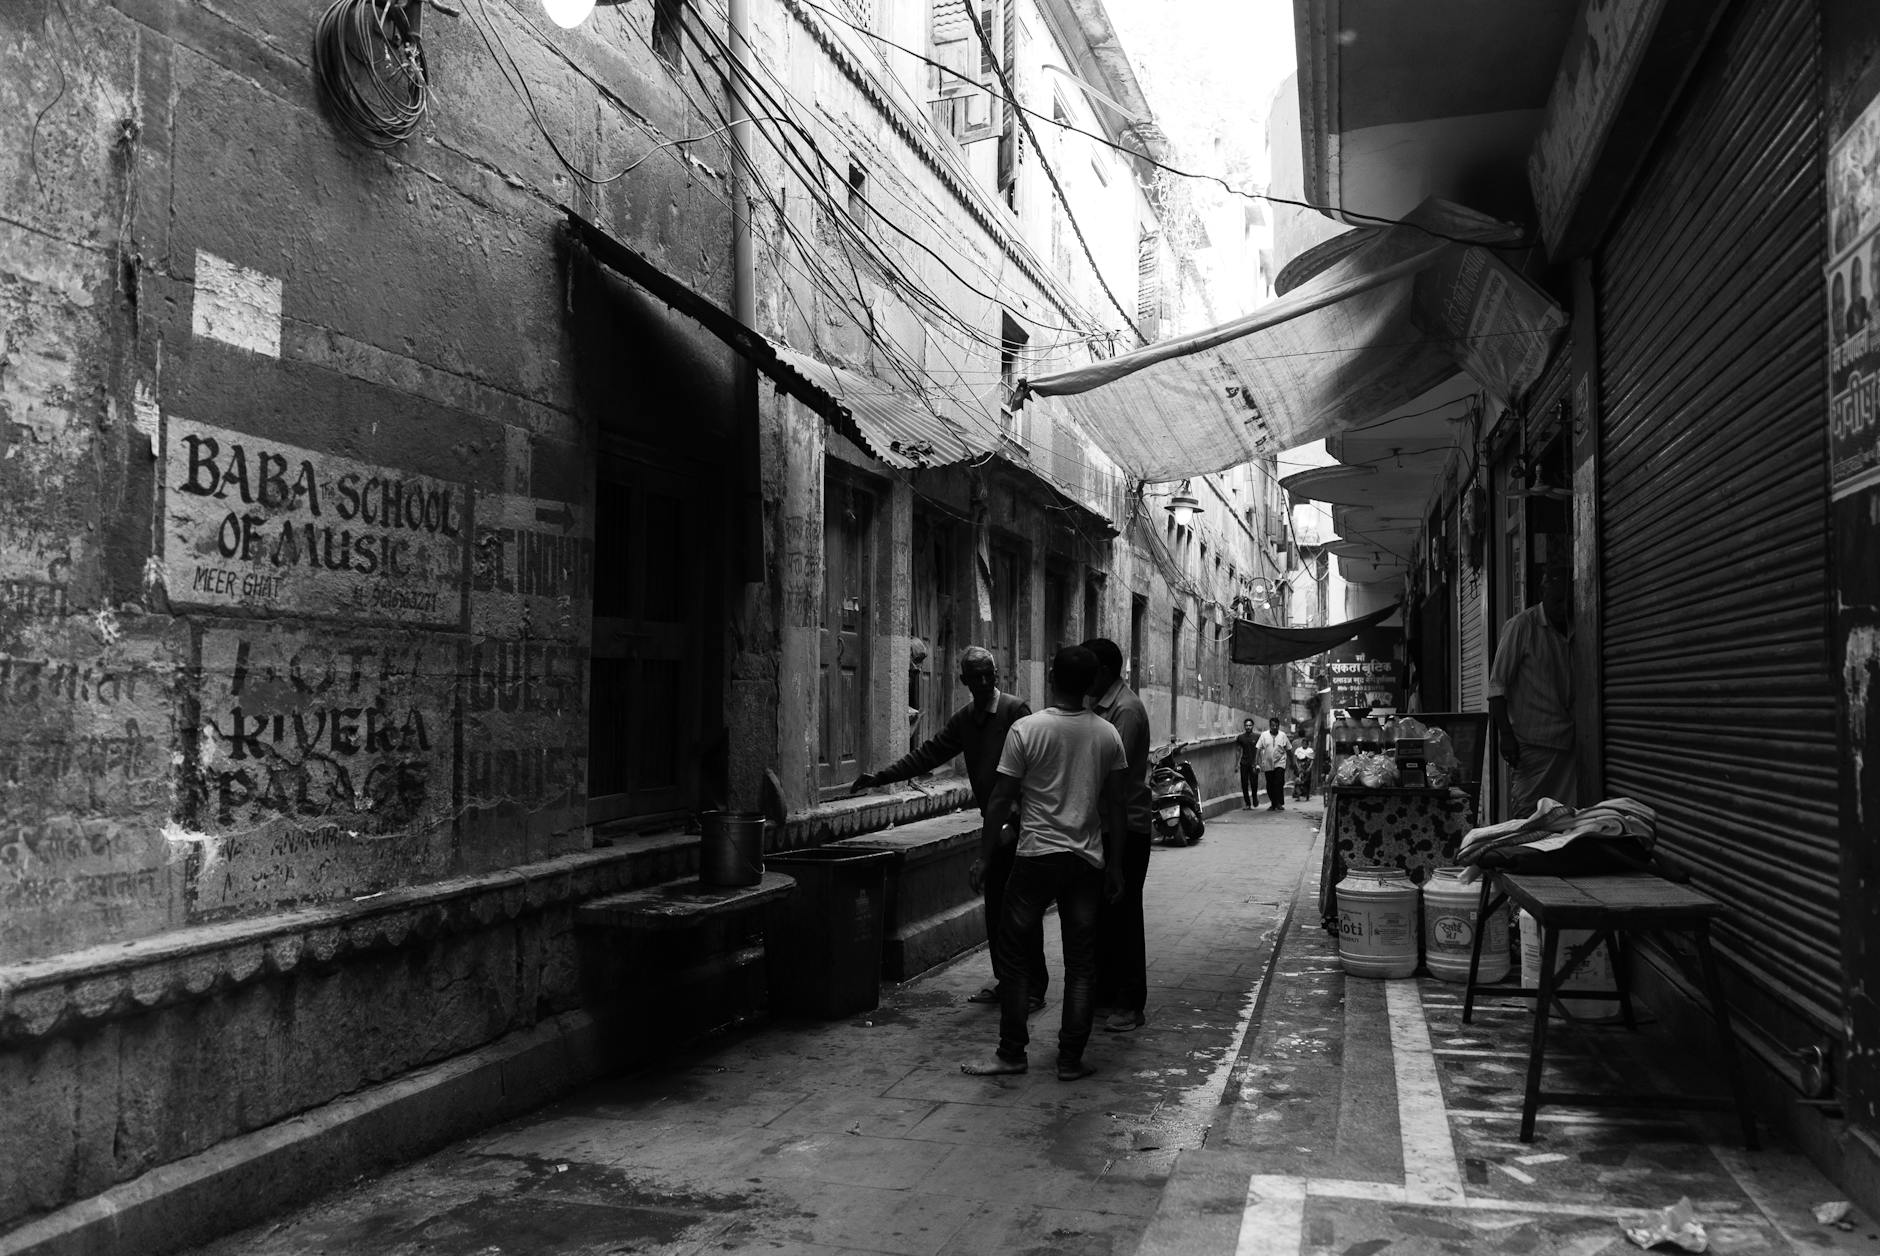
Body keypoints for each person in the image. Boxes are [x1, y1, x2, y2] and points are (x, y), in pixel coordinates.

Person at [962, 645, 1128, 1082]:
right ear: (1090, 685)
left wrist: (984, 857)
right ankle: (1070, 1060)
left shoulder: (1026, 730)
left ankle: (1011, 1053)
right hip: (1085, 861)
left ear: (1052, 679)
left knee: (1015, 959)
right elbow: (1116, 806)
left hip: (1035, 857)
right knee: (1082, 964)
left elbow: (1000, 800)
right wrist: (1115, 867)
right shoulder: (1107, 735)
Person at [851, 646, 1043, 1009]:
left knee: (1021, 908)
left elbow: (1032, 770)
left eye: (988, 675)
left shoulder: (1015, 711)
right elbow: (929, 753)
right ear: (964, 680)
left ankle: (1033, 987)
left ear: (996, 675)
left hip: (1020, 826)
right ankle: (1006, 981)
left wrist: (1016, 819)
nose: (983, 682)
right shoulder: (965, 720)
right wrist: (881, 777)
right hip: (994, 827)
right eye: (976, 677)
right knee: (996, 907)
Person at [1083, 638, 1153, 1033]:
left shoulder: (1125, 710)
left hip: (1126, 826)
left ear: (1105, 672)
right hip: (1106, 824)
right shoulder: (1101, 706)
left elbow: (1115, 776)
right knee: (1106, 916)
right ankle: (1107, 994)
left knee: (1124, 914)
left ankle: (1130, 1002)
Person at [1488, 557, 1578, 818]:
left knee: (1564, 819)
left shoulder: (1578, 626)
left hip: (1569, 743)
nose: (1563, 608)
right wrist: (1506, 736)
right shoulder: (1521, 626)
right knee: (1528, 817)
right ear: (1543, 594)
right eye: (1557, 601)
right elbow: (1497, 689)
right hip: (1533, 745)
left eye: (1567, 601)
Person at [1255, 717, 1290, 810]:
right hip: (1268, 763)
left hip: (1280, 762)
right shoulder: (1264, 735)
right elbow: (1258, 748)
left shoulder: (1283, 735)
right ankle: (1273, 803)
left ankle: (1279, 803)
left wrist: (1292, 763)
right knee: (1270, 784)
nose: (1274, 727)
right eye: (1272, 726)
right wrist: (1256, 762)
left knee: (1278, 782)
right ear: (1270, 726)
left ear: (1279, 726)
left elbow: (1288, 749)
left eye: (1276, 726)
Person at [1234, 718, 1260, 809]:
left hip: (1253, 763)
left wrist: (1259, 762)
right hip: (1244, 763)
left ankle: (1254, 797)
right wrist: (1236, 764)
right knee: (1244, 783)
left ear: (1252, 726)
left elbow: (1260, 750)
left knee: (1254, 783)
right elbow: (1238, 750)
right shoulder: (1240, 737)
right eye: (1246, 725)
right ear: (1244, 726)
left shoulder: (1257, 737)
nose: (1248, 727)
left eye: (1250, 725)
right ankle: (1247, 803)